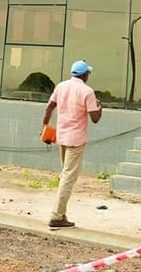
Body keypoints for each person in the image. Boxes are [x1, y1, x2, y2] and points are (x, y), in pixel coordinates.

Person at [41, 59, 102, 229]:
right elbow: (95, 118)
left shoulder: (61, 86)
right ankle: (56, 216)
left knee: (65, 175)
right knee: (68, 177)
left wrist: (44, 127)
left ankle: (61, 214)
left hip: (61, 137)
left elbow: (48, 108)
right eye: (88, 72)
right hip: (76, 140)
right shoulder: (87, 91)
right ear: (85, 74)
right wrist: (100, 108)